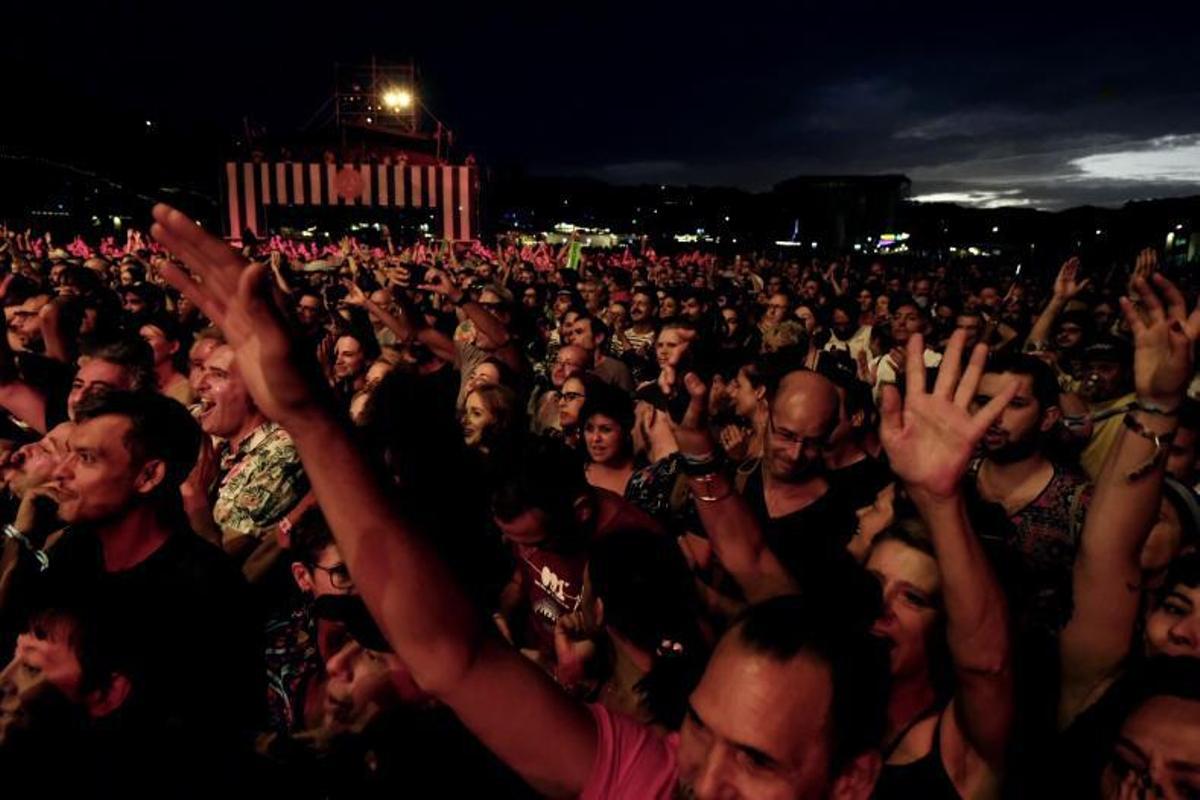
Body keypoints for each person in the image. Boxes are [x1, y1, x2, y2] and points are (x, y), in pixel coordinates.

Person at [2, 389, 262, 788]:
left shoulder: (204, 590)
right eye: (68, 453)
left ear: (149, 475)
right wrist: (20, 536)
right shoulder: (75, 549)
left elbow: (205, 747)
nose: (61, 472)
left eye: (87, 458)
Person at [967, 352, 1091, 635]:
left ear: (1048, 418)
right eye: (984, 402)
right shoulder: (950, 482)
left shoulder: (1079, 504)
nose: (993, 416)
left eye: (1015, 404)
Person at [188, 343, 310, 578]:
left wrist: (195, 499)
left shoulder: (280, 451)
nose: (199, 384)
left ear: (257, 391)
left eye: (219, 375)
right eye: (202, 371)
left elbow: (216, 566)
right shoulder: (220, 444)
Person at [570, 314, 634, 394]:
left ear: (598, 338)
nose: (571, 338)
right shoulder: (570, 368)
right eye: (571, 333)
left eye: (579, 332)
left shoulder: (617, 370)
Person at [139, 314, 194, 405]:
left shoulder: (186, 390)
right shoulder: (139, 384)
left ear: (173, 346)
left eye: (147, 339)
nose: (140, 345)